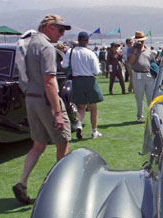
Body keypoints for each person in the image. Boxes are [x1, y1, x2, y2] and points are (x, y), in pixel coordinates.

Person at [12, 14, 72, 205]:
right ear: (49, 27)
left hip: (31, 99)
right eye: (60, 29)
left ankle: (22, 182)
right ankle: (58, 187)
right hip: (46, 101)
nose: (62, 34)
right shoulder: (46, 47)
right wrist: (57, 113)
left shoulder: (28, 43)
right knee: (63, 142)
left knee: (38, 145)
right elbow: (49, 81)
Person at [63, 31, 104, 139]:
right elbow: (96, 71)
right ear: (87, 41)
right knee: (93, 108)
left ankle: (79, 124)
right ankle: (94, 131)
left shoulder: (70, 51)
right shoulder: (90, 53)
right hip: (89, 80)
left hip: (76, 80)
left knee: (81, 107)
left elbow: (64, 65)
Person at [128, 30, 156, 122]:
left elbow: (153, 62)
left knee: (150, 96)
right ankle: (140, 116)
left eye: (142, 40)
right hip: (137, 74)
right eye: (138, 40)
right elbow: (130, 61)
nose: (140, 42)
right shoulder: (131, 50)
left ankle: (151, 115)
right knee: (139, 97)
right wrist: (135, 51)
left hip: (148, 75)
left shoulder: (148, 50)